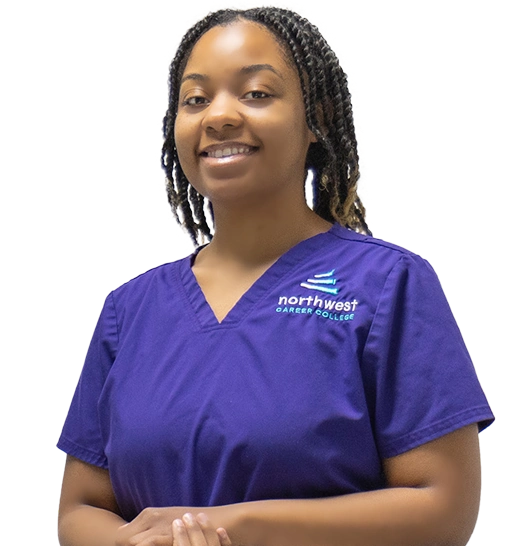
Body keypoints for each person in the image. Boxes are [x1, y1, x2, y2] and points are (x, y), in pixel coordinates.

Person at [56, 4, 495, 546]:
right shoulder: (130, 310)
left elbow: (443, 509)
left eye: (256, 93)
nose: (218, 116)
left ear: (320, 117)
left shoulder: (388, 285)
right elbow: (79, 508)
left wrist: (236, 527)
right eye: (195, 99)